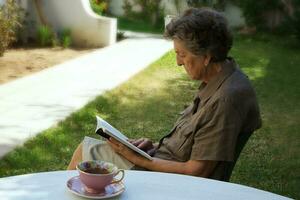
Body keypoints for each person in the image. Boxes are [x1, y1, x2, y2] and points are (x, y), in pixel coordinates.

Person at [67, 8, 261, 181]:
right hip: (162, 162)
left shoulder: (226, 99)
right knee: (90, 150)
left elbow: (197, 172)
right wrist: (150, 146)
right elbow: (192, 144)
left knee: (85, 152)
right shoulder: (220, 77)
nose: (178, 62)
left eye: (182, 55)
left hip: (175, 181)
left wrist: (138, 158)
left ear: (207, 56)